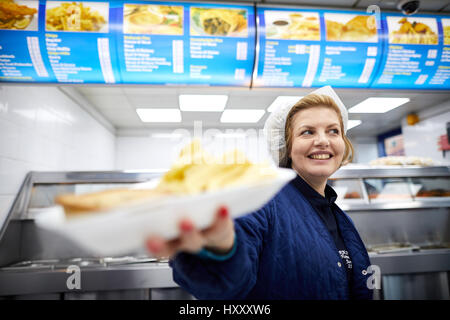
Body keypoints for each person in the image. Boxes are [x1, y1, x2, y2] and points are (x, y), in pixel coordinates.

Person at [146, 86, 372, 300]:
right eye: (307, 132)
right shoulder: (263, 202)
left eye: (333, 131)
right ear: (287, 147)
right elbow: (230, 278)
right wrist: (220, 251)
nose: (323, 140)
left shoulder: (339, 216)